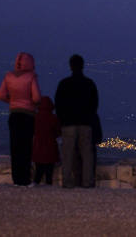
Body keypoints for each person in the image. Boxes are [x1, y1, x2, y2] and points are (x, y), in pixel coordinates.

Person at [54, 54, 99, 188]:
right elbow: (94, 104)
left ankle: (67, 182)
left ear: (70, 66)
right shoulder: (89, 83)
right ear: (83, 65)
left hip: (68, 124)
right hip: (85, 123)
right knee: (87, 154)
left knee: (68, 154)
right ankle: (87, 181)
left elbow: (58, 103)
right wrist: (89, 118)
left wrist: (62, 119)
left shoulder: (64, 84)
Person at [0, 52, 41, 186]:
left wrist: (12, 101)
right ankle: (25, 179)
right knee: (26, 148)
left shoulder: (8, 76)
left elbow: (1, 95)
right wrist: (31, 104)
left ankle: (16, 179)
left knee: (15, 147)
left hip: (14, 115)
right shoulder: (31, 77)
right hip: (28, 115)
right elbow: (37, 97)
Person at [31, 96, 61, 185]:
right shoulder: (54, 118)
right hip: (51, 148)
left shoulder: (35, 118)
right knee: (49, 174)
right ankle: (48, 191)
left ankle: (34, 189)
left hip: (38, 148)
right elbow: (59, 132)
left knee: (38, 173)